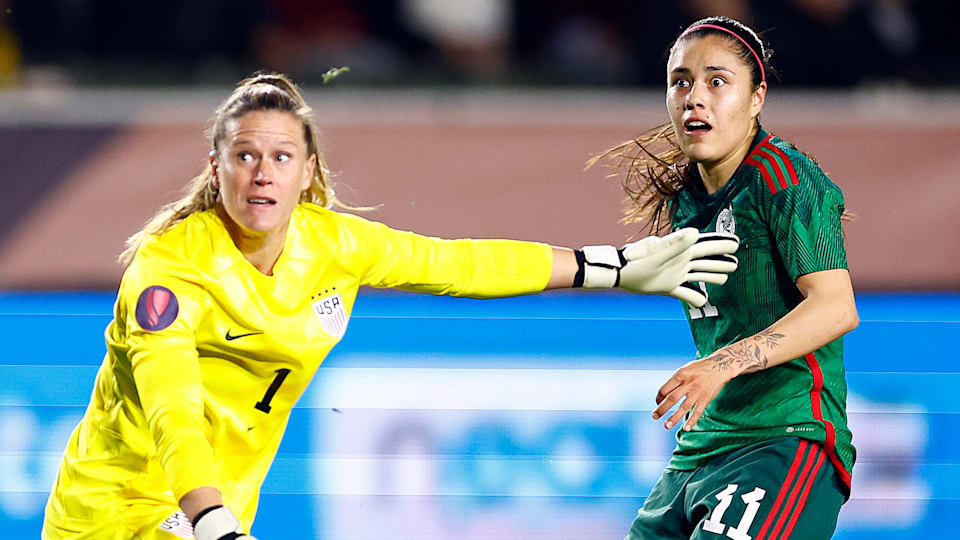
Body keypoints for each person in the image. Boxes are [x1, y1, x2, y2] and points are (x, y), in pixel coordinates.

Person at [41, 71, 740, 540]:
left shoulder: (332, 244)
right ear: (215, 167)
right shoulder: (169, 270)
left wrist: (610, 267)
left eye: (282, 156)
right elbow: (172, 411)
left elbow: (459, 263)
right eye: (244, 155)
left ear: (308, 171)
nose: (262, 173)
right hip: (113, 514)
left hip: (214, 517)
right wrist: (207, 515)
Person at [591, 16, 858, 540]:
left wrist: (720, 365)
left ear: (757, 97)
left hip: (784, 441)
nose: (694, 97)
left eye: (717, 81)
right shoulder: (687, 198)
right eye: (680, 81)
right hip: (702, 447)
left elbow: (835, 306)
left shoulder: (786, 179)